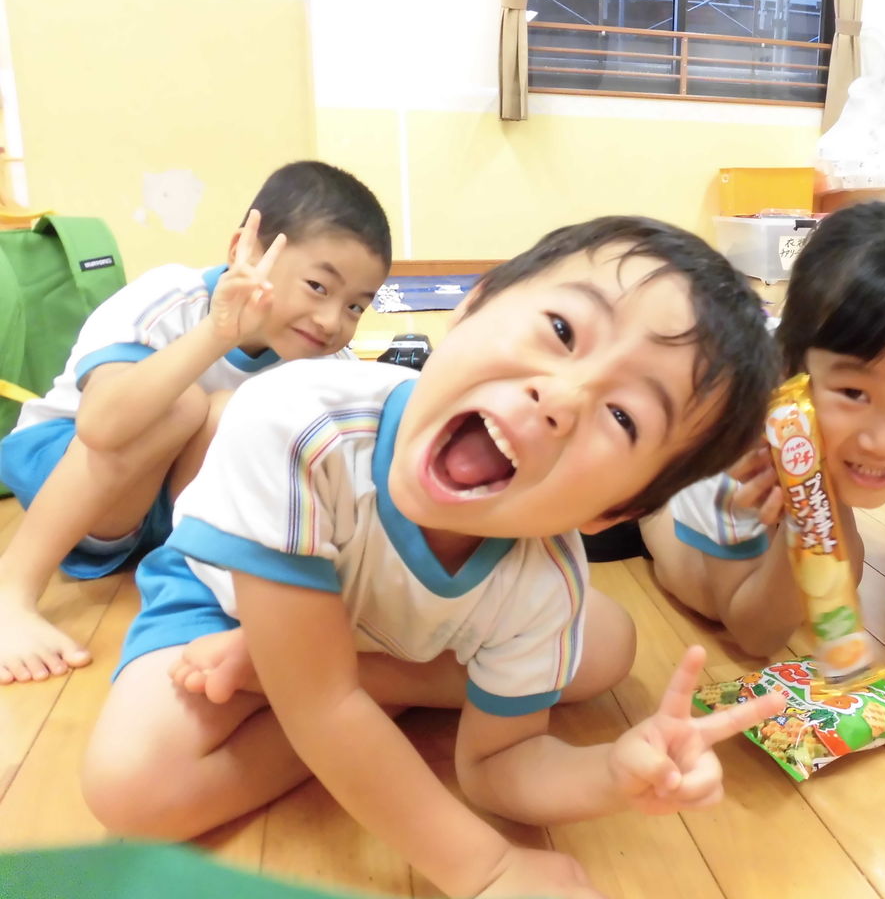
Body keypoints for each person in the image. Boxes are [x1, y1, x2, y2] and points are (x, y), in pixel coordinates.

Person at [81, 216, 785, 899]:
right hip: (227, 600)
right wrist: (488, 870)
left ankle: (322, 669)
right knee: (131, 792)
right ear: (473, 304)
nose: (561, 398)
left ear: (614, 513)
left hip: (386, 634)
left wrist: (613, 774)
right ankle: (311, 663)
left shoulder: (548, 574)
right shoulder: (298, 423)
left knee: (607, 647)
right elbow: (321, 707)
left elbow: (500, 763)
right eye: (563, 331)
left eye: (624, 417)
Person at [0, 161, 392, 685]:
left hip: (159, 513)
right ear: (243, 251)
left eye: (356, 307)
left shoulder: (324, 363)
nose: (331, 321)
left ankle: (194, 584)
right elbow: (101, 427)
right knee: (183, 404)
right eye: (319, 286)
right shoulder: (170, 298)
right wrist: (217, 334)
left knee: (244, 417)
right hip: (67, 469)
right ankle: (10, 593)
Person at [641, 201, 885, 658]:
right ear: (790, 366)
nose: (884, 442)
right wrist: (808, 506)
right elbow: (755, 634)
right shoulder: (739, 446)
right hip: (668, 465)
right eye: (854, 393)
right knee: (709, 592)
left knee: (844, 566)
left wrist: (813, 498)